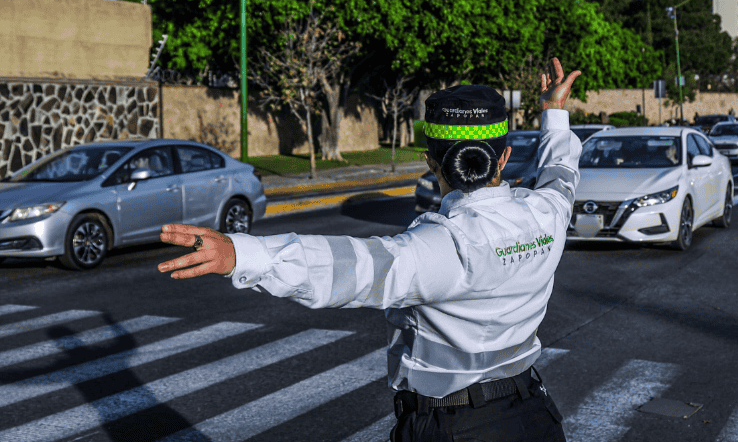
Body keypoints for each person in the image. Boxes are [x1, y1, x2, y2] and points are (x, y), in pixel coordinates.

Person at [156, 58, 583, 442]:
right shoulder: (545, 215)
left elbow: (351, 267)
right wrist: (553, 111)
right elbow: (560, 173)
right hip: (534, 416)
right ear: (504, 157)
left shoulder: (446, 246)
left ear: (430, 161)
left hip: (456, 428)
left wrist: (242, 255)